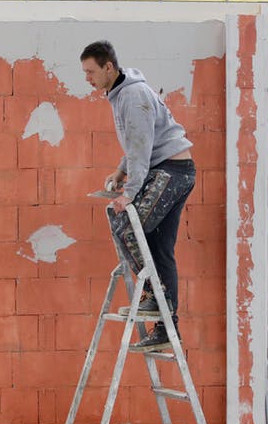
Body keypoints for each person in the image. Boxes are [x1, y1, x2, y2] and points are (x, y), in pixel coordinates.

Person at [80, 40, 196, 352]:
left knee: (126, 225)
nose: (87, 78)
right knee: (159, 248)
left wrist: (129, 192)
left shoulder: (132, 95)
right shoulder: (119, 94)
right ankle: (166, 329)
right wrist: (121, 171)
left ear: (108, 67)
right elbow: (137, 141)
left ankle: (151, 296)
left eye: (91, 72)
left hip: (172, 169)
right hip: (170, 168)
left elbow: (142, 148)